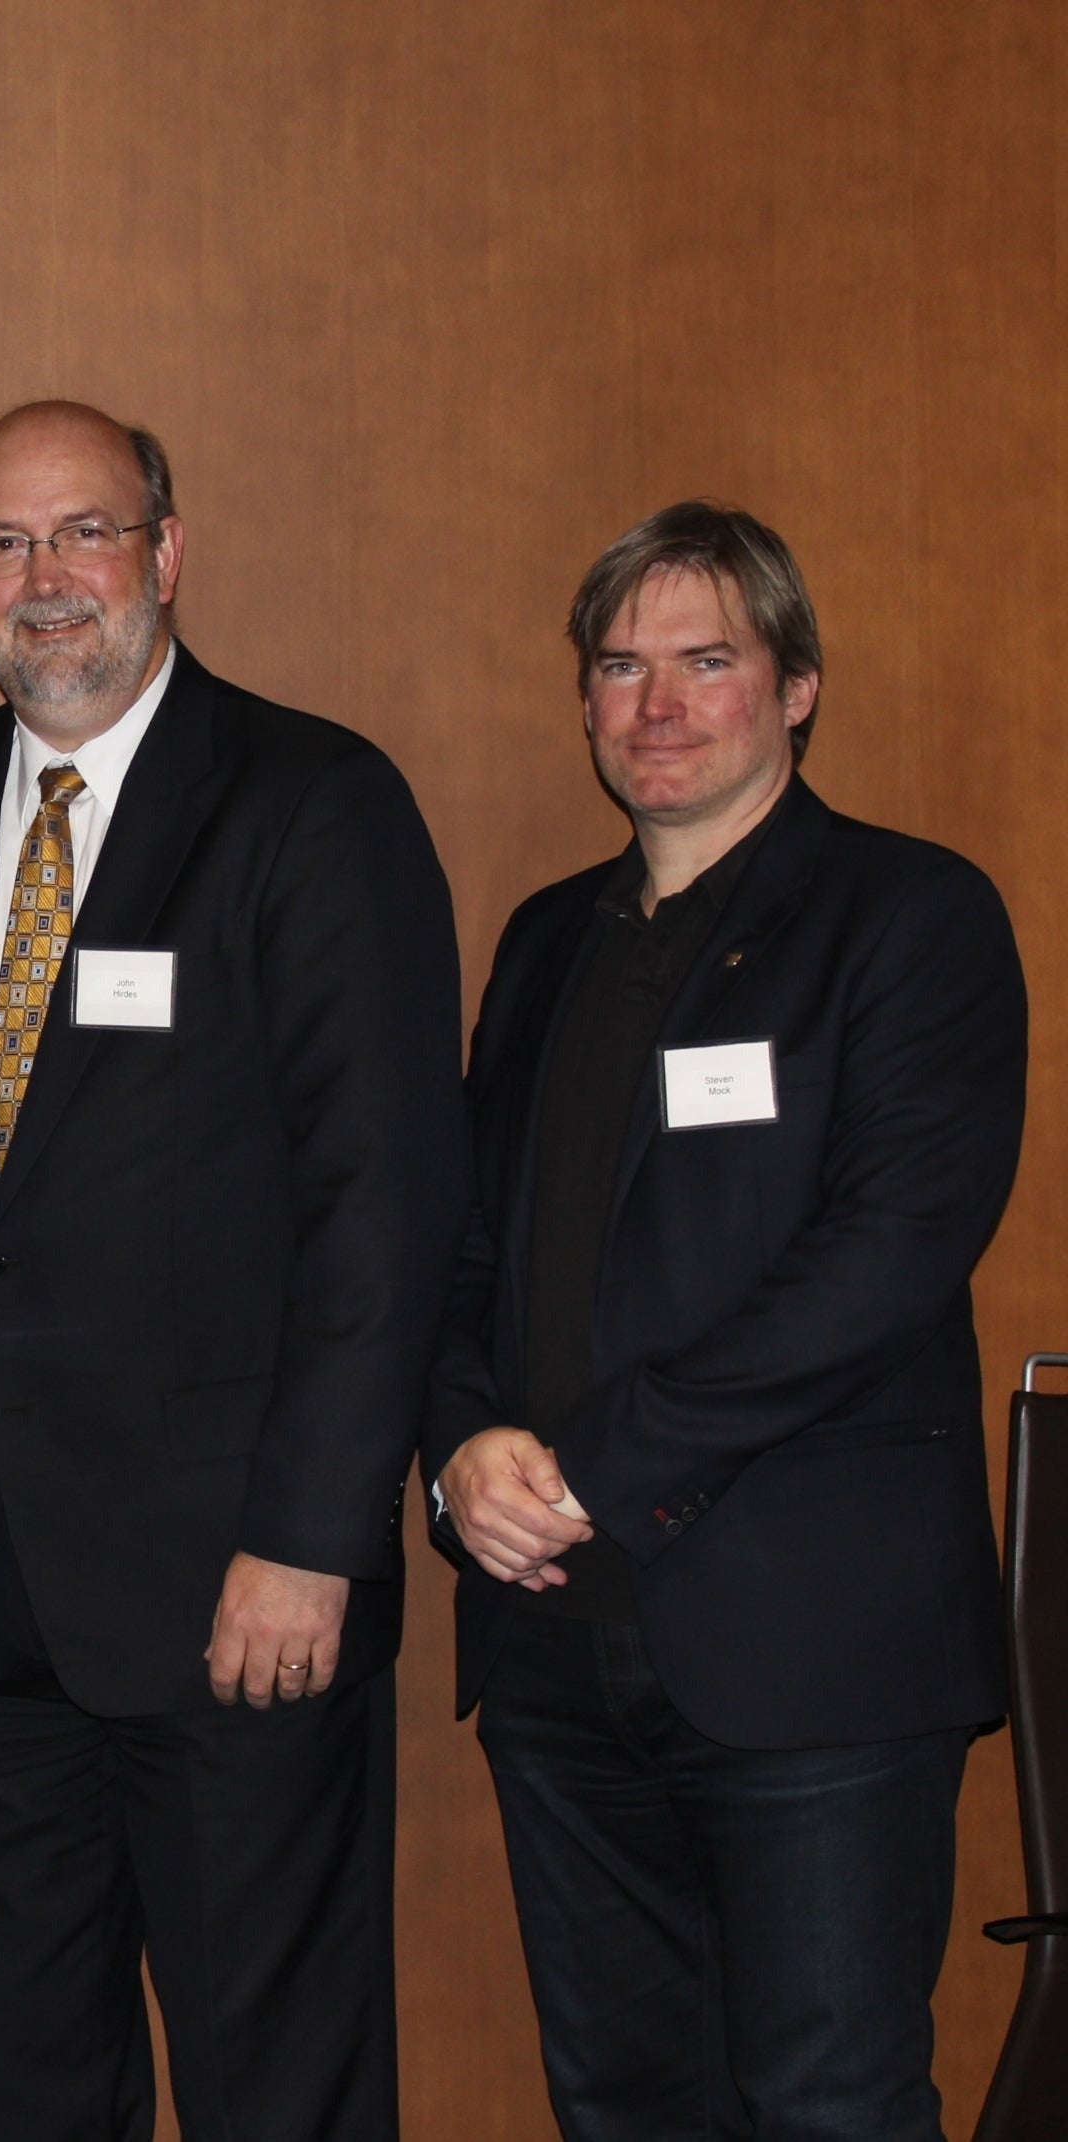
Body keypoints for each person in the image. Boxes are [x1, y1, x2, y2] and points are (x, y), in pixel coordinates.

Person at [0, 402, 468, 2141]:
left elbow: (386, 1204)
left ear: (166, 556)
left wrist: (314, 1533)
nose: (47, 583)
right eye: (4, 545)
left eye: (85, 534)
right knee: (29, 2083)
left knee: (279, 2082)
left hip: (236, 1595)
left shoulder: (313, 801)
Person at [426, 502, 1025, 2141]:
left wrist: (592, 1465)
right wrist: (465, 1445)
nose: (658, 705)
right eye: (621, 666)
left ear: (800, 684)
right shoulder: (550, 936)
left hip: (809, 1654)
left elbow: (884, 1259)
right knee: (624, 2103)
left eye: (707, 660)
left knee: (827, 2102)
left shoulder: (910, 918)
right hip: (557, 1649)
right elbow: (466, 1241)